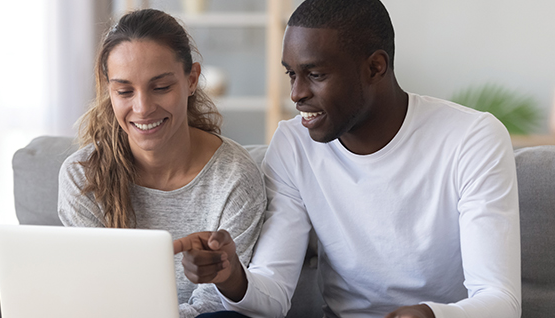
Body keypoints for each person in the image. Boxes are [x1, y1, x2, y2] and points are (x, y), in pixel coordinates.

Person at [174, 0, 521, 317]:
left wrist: (431, 314)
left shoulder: (472, 138)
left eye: (316, 74)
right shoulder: (294, 145)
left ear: (375, 68)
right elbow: (274, 293)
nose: (296, 94)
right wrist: (231, 275)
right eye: (292, 74)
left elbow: (500, 300)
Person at [57, 9, 266, 318]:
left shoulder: (235, 177)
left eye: (161, 87)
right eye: (124, 91)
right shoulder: (82, 176)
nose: (142, 108)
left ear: (192, 79)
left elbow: (212, 304)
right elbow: (95, 294)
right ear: (109, 90)